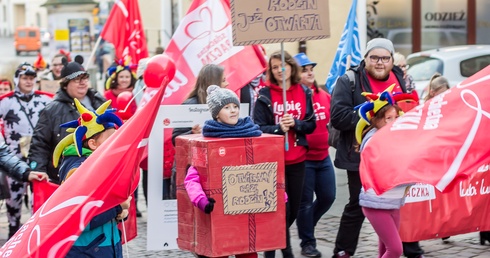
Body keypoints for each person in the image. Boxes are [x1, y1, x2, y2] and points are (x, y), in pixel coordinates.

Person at [330, 38, 424, 258]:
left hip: (396, 156)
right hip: (360, 155)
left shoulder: (401, 78)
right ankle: (343, 251)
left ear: (392, 60)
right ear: (366, 59)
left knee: (397, 202)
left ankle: (408, 248)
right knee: (358, 203)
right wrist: (371, 113)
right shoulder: (349, 80)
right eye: (374, 57)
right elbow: (338, 117)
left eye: (385, 58)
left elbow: (409, 109)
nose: (379, 62)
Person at [184, 85, 261, 258]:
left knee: (248, 253)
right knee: (219, 252)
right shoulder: (206, 142)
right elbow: (192, 177)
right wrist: (200, 200)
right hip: (218, 212)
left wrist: (278, 194)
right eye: (226, 107)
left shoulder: (251, 134)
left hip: (246, 210)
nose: (233, 111)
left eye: (235, 106)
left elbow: (264, 167)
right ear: (216, 113)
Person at [253, 50, 316, 258]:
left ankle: (273, 241)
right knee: (280, 210)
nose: (279, 70)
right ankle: (281, 251)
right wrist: (279, 129)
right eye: (274, 67)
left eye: (283, 65)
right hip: (273, 161)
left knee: (293, 210)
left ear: (291, 66)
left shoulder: (304, 92)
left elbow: (311, 124)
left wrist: (296, 124)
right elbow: (258, 128)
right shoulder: (264, 95)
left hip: (297, 160)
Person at [52, 98, 130, 257]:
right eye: (111, 139)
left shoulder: (99, 163)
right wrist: (118, 207)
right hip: (87, 250)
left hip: (103, 246)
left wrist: (119, 213)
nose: (117, 143)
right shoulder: (79, 171)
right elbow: (80, 220)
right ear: (93, 144)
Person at [28, 56, 107, 183]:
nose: (82, 82)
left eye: (85, 78)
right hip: (66, 176)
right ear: (65, 85)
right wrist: (38, 169)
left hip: (100, 171)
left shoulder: (99, 102)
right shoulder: (52, 110)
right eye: (76, 79)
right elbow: (40, 144)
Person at [356, 88, 411, 258]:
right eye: (388, 118)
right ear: (376, 120)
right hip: (376, 203)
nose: (393, 122)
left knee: (384, 249)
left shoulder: (397, 137)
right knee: (395, 249)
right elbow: (390, 166)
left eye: (396, 117)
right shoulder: (373, 140)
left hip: (393, 201)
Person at [0, 63, 52, 238]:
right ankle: (13, 229)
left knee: (37, 198)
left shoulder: (45, 100)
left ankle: (32, 233)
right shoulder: (6, 101)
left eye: (31, 78)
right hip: (13, 159)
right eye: (25, 78)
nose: (28, 82)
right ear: (17, 80)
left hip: (38, 157)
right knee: (13, 199)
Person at [292, 53, 336, 258]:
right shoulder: (295, 97)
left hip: (324, 157)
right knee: (305, 202)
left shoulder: (323, 94)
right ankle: (307, 242)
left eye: (311, 68)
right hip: (304, 158)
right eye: (304, 69)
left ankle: (306, 224)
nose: (309, 72)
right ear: (295, 73)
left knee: (328, 197)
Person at [171, 64, 229, 200]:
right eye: (223, 80)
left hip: (215, 166)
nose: (227, 84)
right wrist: (192, 133)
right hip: (192, 171)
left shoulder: (226, 106)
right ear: (213, 83)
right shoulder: (190, 105)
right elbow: (175, 139)